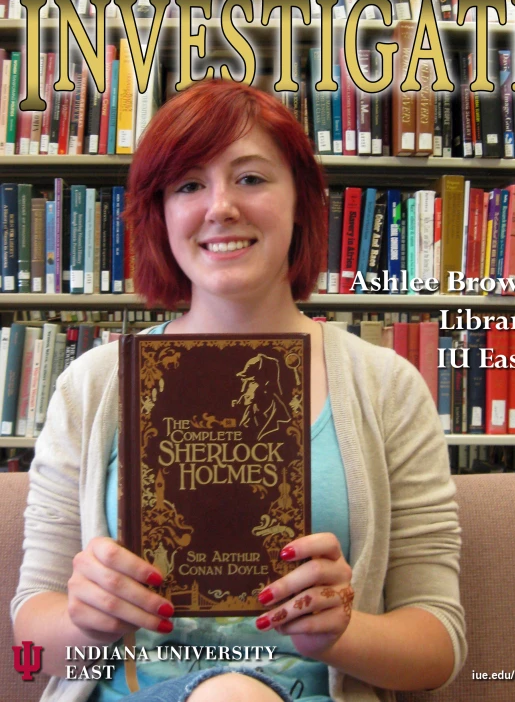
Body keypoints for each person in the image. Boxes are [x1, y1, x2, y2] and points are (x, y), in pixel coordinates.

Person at [11, 78, 467, 702]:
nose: (219, 206)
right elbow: (31, 639)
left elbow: (437, 647)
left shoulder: (386, 388)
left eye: (251, 178)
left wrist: (341, 633)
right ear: (161, 212)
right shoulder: (94, 387)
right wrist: (88, 619)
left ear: (302, 202)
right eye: (189, 185)